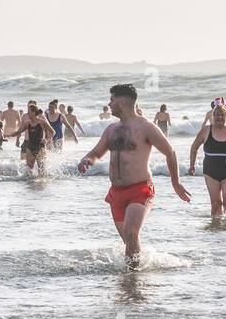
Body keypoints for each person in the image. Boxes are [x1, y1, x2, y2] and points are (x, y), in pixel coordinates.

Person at [77, 84, 191, 268]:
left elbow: (170, 152)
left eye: (112, 100)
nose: (109, 104)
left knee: (131, 233)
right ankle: (136, 275)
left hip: (140, 189)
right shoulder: (111, 129)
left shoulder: (146, 127)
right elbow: (96, 153)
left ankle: (133, 280)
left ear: (121, 103)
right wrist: (86, 160)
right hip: (116, 193)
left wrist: (175, 183)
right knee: (129, 242)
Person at [188, 103, 226, 216]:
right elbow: (194, 147)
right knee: (216, 203)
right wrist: (192, 165)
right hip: (211, 172)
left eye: (222, 115)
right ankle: (215, 226)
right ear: (213, 116)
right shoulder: (206, 131)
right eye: (217, 115)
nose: (219, 117)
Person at [14, 101, 53, 175]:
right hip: (27, 142)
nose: (28, 109)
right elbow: (20, 129)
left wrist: (46, 139)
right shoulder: (24, 116)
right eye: (28, 106)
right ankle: (30, 181)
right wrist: (17, 139)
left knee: (41, 166)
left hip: (39, 143)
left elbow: (49, 130)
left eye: (30, 108)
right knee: (27, 165)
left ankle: (41, 181)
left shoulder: (42, 117)